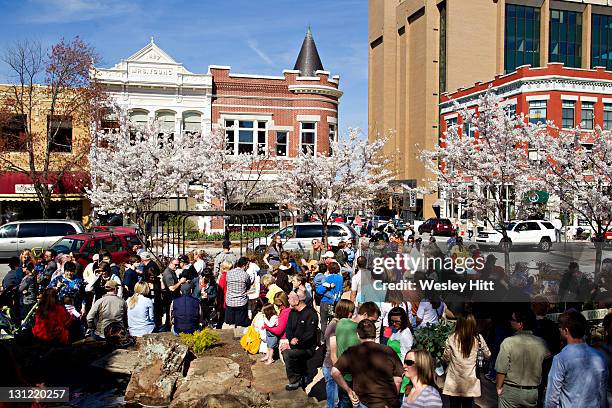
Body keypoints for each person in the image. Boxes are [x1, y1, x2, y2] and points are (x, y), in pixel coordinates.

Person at [331, 319, 404, 408]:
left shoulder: (352, 352)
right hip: (387, 403)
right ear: (375, 334)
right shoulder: (389, 351)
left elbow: (334, 372)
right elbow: (398, 379)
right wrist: (392, 399)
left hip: (364, 403)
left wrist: (349, 391)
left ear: (358, 335)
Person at [545, 311, 608, 408]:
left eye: (560, 328)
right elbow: (602, 395)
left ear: (566, 331)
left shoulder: (561, 358)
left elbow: (552, 398)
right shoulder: (599, 357)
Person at [495, 308, 550, 408]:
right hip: (533, 392)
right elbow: (547, 362)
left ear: (520, 324)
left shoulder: (508, 342)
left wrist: (498, 387)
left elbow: (501, 369)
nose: (510, 322)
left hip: (511, 390)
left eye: (512, 319)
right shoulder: (541, 343)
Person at [335, 302, 382, 407]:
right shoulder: (361, 335)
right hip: (354, 382)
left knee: (343, 403)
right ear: (365, 315)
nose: (373, 324)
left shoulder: (341, 322)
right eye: (373, 320)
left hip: (341, 377)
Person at [443, 314, 491, 408]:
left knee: (454, 405)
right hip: (470, 381)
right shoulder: (478, 338)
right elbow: (488, 355)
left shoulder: (452, 338)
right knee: (468, 405)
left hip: (454, 381)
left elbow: (446, 358)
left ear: (459, 323)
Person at [282, 289, 319, 391]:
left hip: (307, 347)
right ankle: (302, 373)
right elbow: (288, 329)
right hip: (295, 344)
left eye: (289, 298)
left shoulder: (311, 314)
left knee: (288, 354)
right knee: (286, 351)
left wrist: (296, 341)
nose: (287, 300)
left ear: (297, 301)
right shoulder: (292, 312)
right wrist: (290, 340)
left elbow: (309, 334)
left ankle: (295, 380)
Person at [323, 299, 355, 408]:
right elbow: (333, 353)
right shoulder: (335, 326)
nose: (352, 314)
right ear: (347, 312)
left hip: (334, 367)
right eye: (351, 311)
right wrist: (339, 371)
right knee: (333, 402)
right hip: (332, 366)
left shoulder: (337, 323)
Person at [316, 262, 343, 339]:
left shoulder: (327, 278)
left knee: (324, 322)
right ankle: (333, 337)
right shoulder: (340, 278)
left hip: (325, 302)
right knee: (333, 321)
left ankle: (324, 339)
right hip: (335, 302)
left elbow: (319, 291)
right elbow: (341, 290)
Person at [224, 257, 253, 328]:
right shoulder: (245, 275)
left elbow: (227, 284)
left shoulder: (229, 273)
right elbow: (248, 286)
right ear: (244, 265)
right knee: (240, 325)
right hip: (241, 302)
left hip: (230, 301)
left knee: (231, 324)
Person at [265, 291, 291, 359]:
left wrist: (266, 326)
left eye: (279, 305)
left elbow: (278, 331)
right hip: (287, 338)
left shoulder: (285, 313)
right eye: (276, 305)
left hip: (285, 340)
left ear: (284, 302)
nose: (278, 308)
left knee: (286, 363)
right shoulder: (289, 310)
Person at [162, 258, 186, 330]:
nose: (177, 266)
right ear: (170, 264)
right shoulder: (169, 274)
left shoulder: (171, 271)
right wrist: (180, 282)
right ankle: (169, 328)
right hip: (170, 297)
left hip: (171, 296)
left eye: (178, 265)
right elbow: (172, 288)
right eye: (175, 265)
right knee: (170, 314)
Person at [246, 253, 261, 319]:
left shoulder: (250, 267)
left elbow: (250, 278)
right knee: (254, 301)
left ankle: (250, 315)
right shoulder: (256, 267)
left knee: (249, 302)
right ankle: (252, 312)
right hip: (256, 285)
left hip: (251, 286)